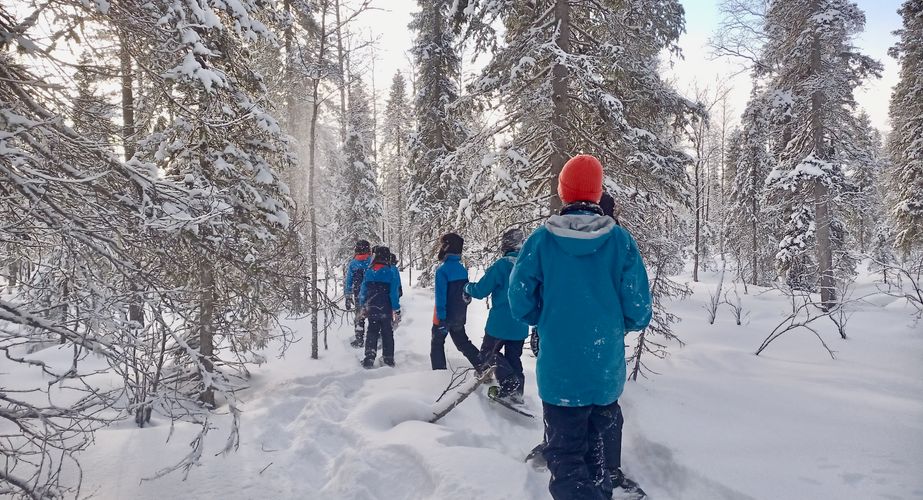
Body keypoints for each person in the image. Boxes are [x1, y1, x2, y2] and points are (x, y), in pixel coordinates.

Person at [509, 154, 652, 500]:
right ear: (597, 192)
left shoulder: (541, 241)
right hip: (604, 370)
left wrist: (544, 316)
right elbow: (638, 310)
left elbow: (519, 300)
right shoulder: (621, 242)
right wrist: (612, 325)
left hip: (560, 374)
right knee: (595, 456)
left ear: (564, 192)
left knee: (567, 459)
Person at [465, 228, 528, 403]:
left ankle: (509, 382)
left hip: (499, 324)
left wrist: (467, 287)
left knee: (486, 354)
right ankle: (517, 392)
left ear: (505, 245)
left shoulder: (501, 265)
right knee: (514, 358)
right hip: (521, 323)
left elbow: (481, 290)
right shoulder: (528, 266)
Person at [431, 232, 481, 371]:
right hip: (458, 316)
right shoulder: (462, 269)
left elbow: (441, 297)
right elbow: (465, 295)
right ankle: (483, 364)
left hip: (444, 317)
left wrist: (441, 319)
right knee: (463, 343)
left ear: (447, 247)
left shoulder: (443, 270)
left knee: (437, 344)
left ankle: (438, 375)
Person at [358, 246, 401, 368]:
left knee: (372, 331)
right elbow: (394, 294)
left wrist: (362, 305)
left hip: (372, 308)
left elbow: (363, 291)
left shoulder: (369, 272)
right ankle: (388, 358)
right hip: (386, 309)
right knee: (387, 333)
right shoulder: (391, 273)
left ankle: (369, 358)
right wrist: (396, 309)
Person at [345, 239, 372, 348]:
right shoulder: (371, 261)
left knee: (359, 316)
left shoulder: (353, 263)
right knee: (373, 315)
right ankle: (373, 338)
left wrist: (348, 295)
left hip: (358, 293)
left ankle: (359, 339)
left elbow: (349, 280)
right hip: (371, 292)